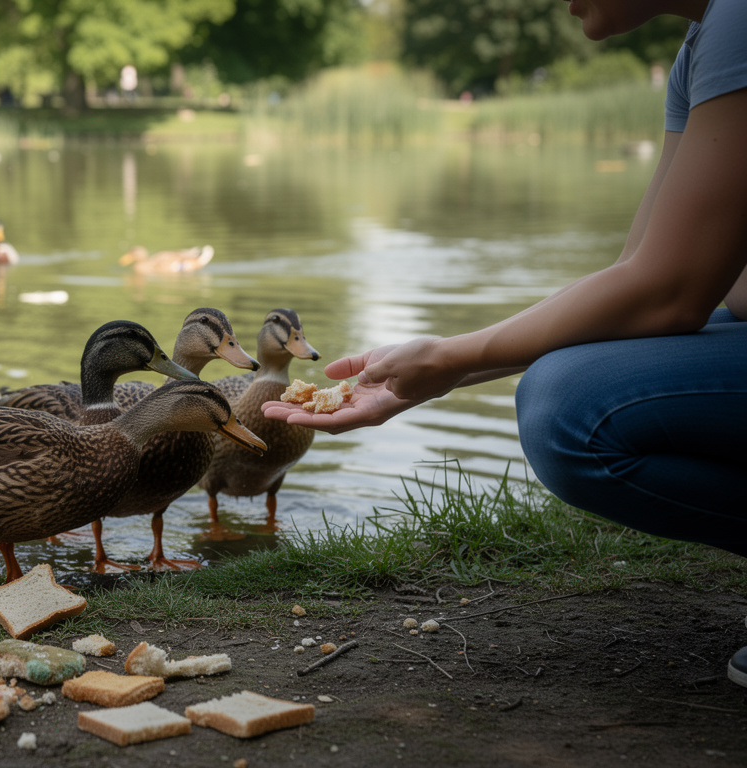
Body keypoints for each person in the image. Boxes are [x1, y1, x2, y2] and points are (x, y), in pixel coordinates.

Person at [263, 0, 747, 685]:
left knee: (570, 408)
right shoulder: (702, 46)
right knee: (571, 374)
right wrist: (439, 373)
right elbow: (636, 282)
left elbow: (669, 291)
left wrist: (451, 356)